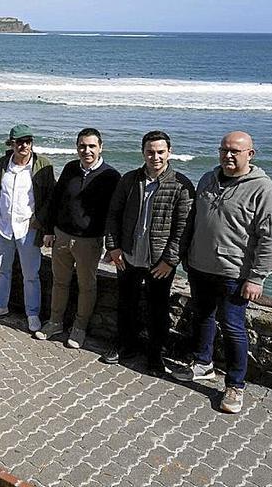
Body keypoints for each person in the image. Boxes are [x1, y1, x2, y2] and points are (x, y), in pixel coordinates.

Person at [173, 131, 272, 414]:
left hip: (234, 272)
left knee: (233, 327)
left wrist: (257, 276)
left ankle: (235, 385)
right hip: (199, 266)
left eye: (235, 151)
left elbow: (270, 237)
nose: (228, 155)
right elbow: (194, 220)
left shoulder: (264, 190)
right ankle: (203, 364)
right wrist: (186, 255)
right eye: (224, 150)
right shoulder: (208, 179)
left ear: (251, 154)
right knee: (202, 317)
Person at [102, 131, 194, 373]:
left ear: (169, 153)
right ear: (143, 152)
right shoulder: (129, 180)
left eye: (160, 152)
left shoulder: (181, 185)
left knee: (158, 310)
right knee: (126, 305)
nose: (155, 157)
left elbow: (183, 228)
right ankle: (125, 345)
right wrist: (113, 248)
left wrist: (170, 261)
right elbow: (113, 214)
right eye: (150, 152)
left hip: (159, 263)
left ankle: (155, 355)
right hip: (128, 257)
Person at [35, 128, 120, 349]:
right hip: (61, 236)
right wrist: (49, 230)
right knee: (59, 282)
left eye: (92, 146)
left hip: (88, 242)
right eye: (82, 146)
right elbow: (56, 199)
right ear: (77, 147)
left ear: (101, 147)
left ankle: (79, 328)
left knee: (86, 286)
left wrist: (112, 246)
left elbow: (114, 214)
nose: (87, 150)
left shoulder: (110, 176)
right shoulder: (71, 168)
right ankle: (55, 322)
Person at [0, 124, 55, 332]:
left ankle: (32, 313)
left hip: (28, 229)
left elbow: (52, 197)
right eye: (20, 142)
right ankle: (0, 305)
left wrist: (40, 220)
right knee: (0, 269)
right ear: (12, 144)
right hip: (3, 227)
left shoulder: (42, 165)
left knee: (31, 274)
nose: (24, 146)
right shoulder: (2, 164)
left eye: (28, 141)